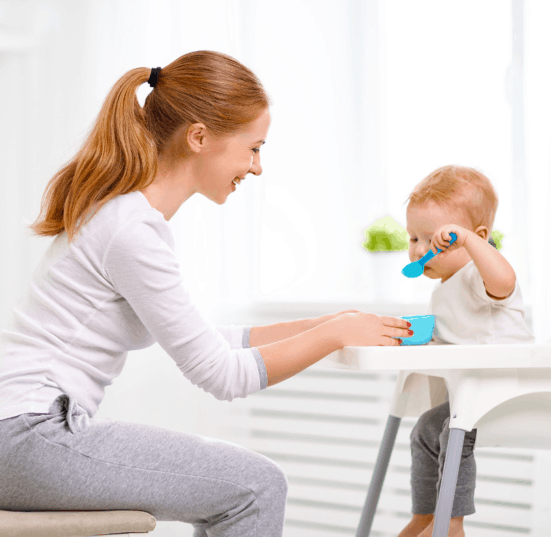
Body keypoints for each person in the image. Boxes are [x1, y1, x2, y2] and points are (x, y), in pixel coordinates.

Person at [0, 50, 412, 537]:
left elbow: (207, 340)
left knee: (245, 485)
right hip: (27, 436)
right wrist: (336, 335)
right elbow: (222, 375)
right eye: (253, 148)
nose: (257, 167)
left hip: (20, 433)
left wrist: (323, 325)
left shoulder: (123, 218)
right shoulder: (131, 230)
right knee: (256, 487)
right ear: (198, 137)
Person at [397, 165, 535, 537]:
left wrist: (472, 244)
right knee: (426, 428)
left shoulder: (477, 274)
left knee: (451, 432)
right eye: (413, 238)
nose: (420, 250)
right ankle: (426, 515)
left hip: (513, 387)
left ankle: (451, 524)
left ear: (478, 238)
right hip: (473, 392)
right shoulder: (443, 290)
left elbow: (504, 282)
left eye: (434, 239)